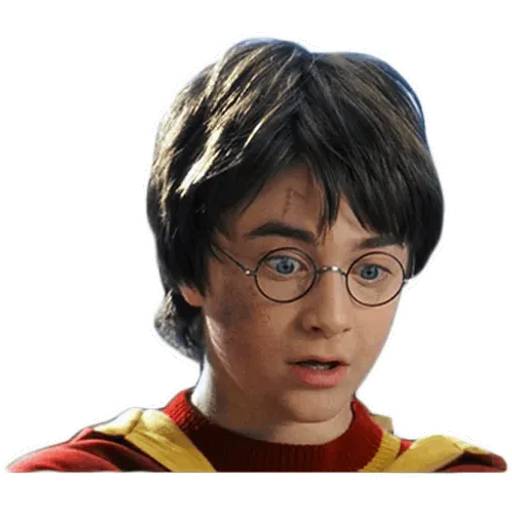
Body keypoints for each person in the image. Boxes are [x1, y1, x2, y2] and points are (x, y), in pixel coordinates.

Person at [7, 37, 507, 472]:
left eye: (371, 270)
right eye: (284, 264)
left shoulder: (463, 484)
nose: (331, 318)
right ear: (190, 267)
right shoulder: (79, 481)